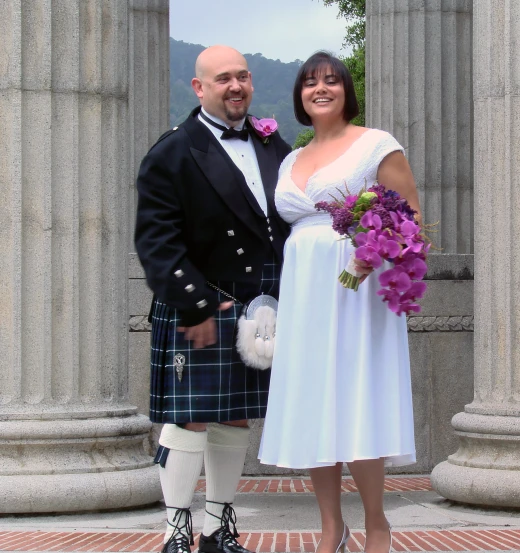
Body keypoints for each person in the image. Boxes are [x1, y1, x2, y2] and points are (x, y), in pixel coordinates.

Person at [258, 51, 420, 553]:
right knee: (313, 404)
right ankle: (331, 527)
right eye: (310, 82)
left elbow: (410, 221)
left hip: (357, 288)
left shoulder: (376, 144)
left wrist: (379, 253)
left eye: (331, 80)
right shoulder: (290, 158)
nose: (320, 88)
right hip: (304, 290)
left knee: (355, 401)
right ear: (299, 96)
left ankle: (377, 524)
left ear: (347, 90)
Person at [135, 45, 291, 553]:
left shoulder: (274, 146)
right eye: (223, 78)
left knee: (234, 416)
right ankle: (176, 528)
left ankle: (218, 528)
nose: (236, 86)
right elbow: (158, 241)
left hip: (256, 309)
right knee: (190, 416)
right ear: (198, 87)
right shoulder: (174, 151)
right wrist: (195, 304)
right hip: (203, 304)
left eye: (242, 76)